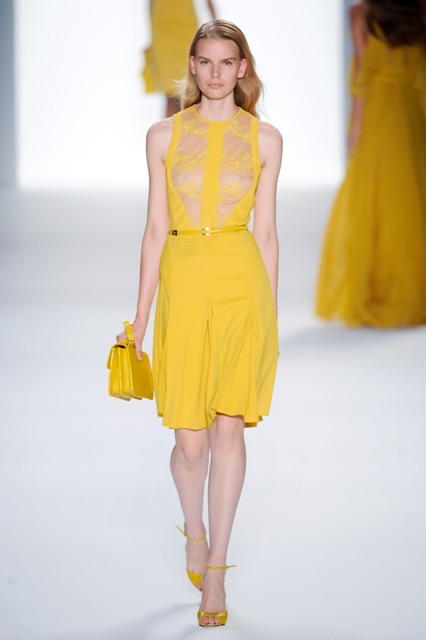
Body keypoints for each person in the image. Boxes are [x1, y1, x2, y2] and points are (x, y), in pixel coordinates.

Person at [118, 19, 282, 627]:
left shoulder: (266, 140)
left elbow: (267, 233)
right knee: (190, 443)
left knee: (228, 430)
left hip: (241, 287)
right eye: (205, 62)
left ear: (243, 68)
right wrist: (139, 317)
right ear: (191, 65)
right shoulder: (163, 136)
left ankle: (216, 570)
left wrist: (269, 319)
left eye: (226, 62)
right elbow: (154, 229)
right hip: (184, 285)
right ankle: (194, 527)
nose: (216, 73)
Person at [316, 0, 426, 327]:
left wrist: (356, 129)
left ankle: (376, 291)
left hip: (379, 113)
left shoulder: (361, 14)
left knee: (374, 199)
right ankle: (411, 292)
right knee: (408, 200)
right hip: (410, 112)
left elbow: (362, 74)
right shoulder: (417, 10)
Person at [142, 0, 216, 116]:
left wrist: (217, 29)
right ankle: (173, 127)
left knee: (187, 88)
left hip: (186, 25)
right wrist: (151, 38)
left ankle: (181, 126)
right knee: (171, 91)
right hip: (162, 26)